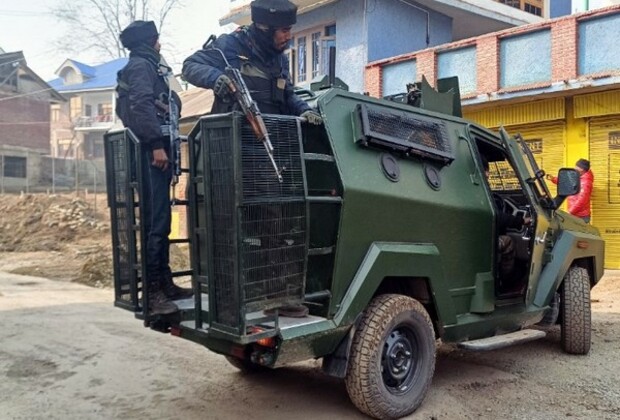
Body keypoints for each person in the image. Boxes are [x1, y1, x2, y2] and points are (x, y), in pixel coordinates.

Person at [115, 20, 193, 316]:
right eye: (157, 39)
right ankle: (153, 292)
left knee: (161, 221)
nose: (160, 44)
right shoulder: (141, 67)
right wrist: (155, 145)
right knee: (155, 224)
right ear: (150, 41)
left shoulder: (148, 66)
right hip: (151, 154)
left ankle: (165, 283)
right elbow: (141, 105)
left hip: (156, 153)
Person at [181, 0, 322, 123]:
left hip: (272, 139)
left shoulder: (280, 60)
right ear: (266, 29)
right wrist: (216, 78)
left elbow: (287, 95)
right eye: (284, 31)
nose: (288, 36)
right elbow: (189, 66)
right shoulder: (230, 46)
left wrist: (304, 110)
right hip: (233, 140)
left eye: (289, 30)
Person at [481, 157, 531, 279]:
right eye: (485, 170)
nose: (488, 174)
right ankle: (505, 279)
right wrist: (522, 221)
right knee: (508, 241)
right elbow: (497, 216)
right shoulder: (479, 192)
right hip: (483, 242)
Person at [547, 159, 593, 223]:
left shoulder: (585, 183)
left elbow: (581, 201)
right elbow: (566, 182)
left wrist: (570, 212)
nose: (575, 169)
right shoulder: (578, 176)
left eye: (577, 168)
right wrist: (553, 179)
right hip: (574, 214)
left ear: (582, 170)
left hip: (581, 216)